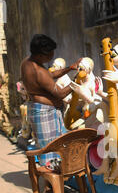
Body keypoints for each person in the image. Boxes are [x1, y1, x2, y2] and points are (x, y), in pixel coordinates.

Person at [21, 34, 91, 172]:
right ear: (41, 54)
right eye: (50, 54)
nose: (53, 57)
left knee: (51, 148)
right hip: (45, 114)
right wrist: (75, 81)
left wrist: (70, 68)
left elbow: (50, 75)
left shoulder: (28, 63)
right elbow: (60, 93)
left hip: (40, 110)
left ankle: (52, 182)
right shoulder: (39, 71)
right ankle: (53, 183)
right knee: (51, 150)